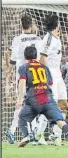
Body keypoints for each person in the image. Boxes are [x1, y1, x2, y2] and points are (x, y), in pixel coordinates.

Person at [16, 46, 68, 148]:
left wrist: (20, 99)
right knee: (60, 121)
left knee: (22, 118)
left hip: (33, 100)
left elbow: (22, 83)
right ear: (36, 55)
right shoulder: (45, 67)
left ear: (25, 56)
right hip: (48, 99)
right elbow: (50, 83)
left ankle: (27, 136)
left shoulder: (23, 67)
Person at [6, 15, 43, 144]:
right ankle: (30, 133)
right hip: (35, 74)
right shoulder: (38, 39)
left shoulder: (17, 39)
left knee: (21, 102)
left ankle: (12, 130)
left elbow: (12, 59)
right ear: (31, 24)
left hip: (21, 75)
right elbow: (42, 57)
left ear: (21, 25)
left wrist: (8, 72)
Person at [38, 14, 68, 146]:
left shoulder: (56, 38)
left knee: (64, 104)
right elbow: (42, 58)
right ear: (56, 25)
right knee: (50, 106)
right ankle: (38, 135)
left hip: (58, 75)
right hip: (50, 75)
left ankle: (56, 136)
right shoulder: (48, 38)